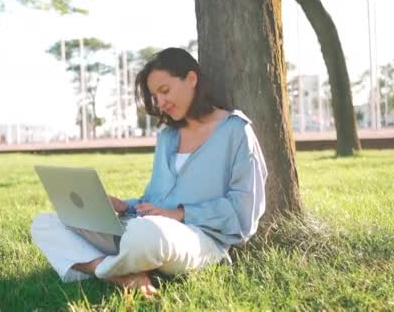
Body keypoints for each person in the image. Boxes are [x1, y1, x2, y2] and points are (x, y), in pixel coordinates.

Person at [31, 47, 267, 296]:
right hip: (145, 226)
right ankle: (123, 274)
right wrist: (124, 207)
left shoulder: (236, 131)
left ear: (191, 79)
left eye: (164, 91)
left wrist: (179, 214)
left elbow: (244, 214)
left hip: (198, 239)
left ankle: (103, 266)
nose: (160, 103)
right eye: (155, 96)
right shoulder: (167, 136)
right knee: (45, 223)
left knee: (146, 233)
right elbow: (154, 201)